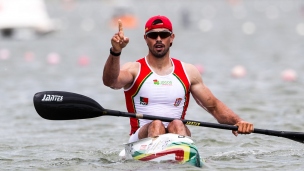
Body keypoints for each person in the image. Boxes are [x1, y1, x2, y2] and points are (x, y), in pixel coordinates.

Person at [103, 15, 254, 143]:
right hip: (140, 140)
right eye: (153, 35)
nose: (159, 39)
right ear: (146, 39)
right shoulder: (134, 69)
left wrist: (238, 121)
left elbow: (213, 106)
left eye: (164, 34)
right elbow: (110, 81)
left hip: (177, 133)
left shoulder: (188, 72)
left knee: (177, 124)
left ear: (172, 38)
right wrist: (115, 51)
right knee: (156, 125)